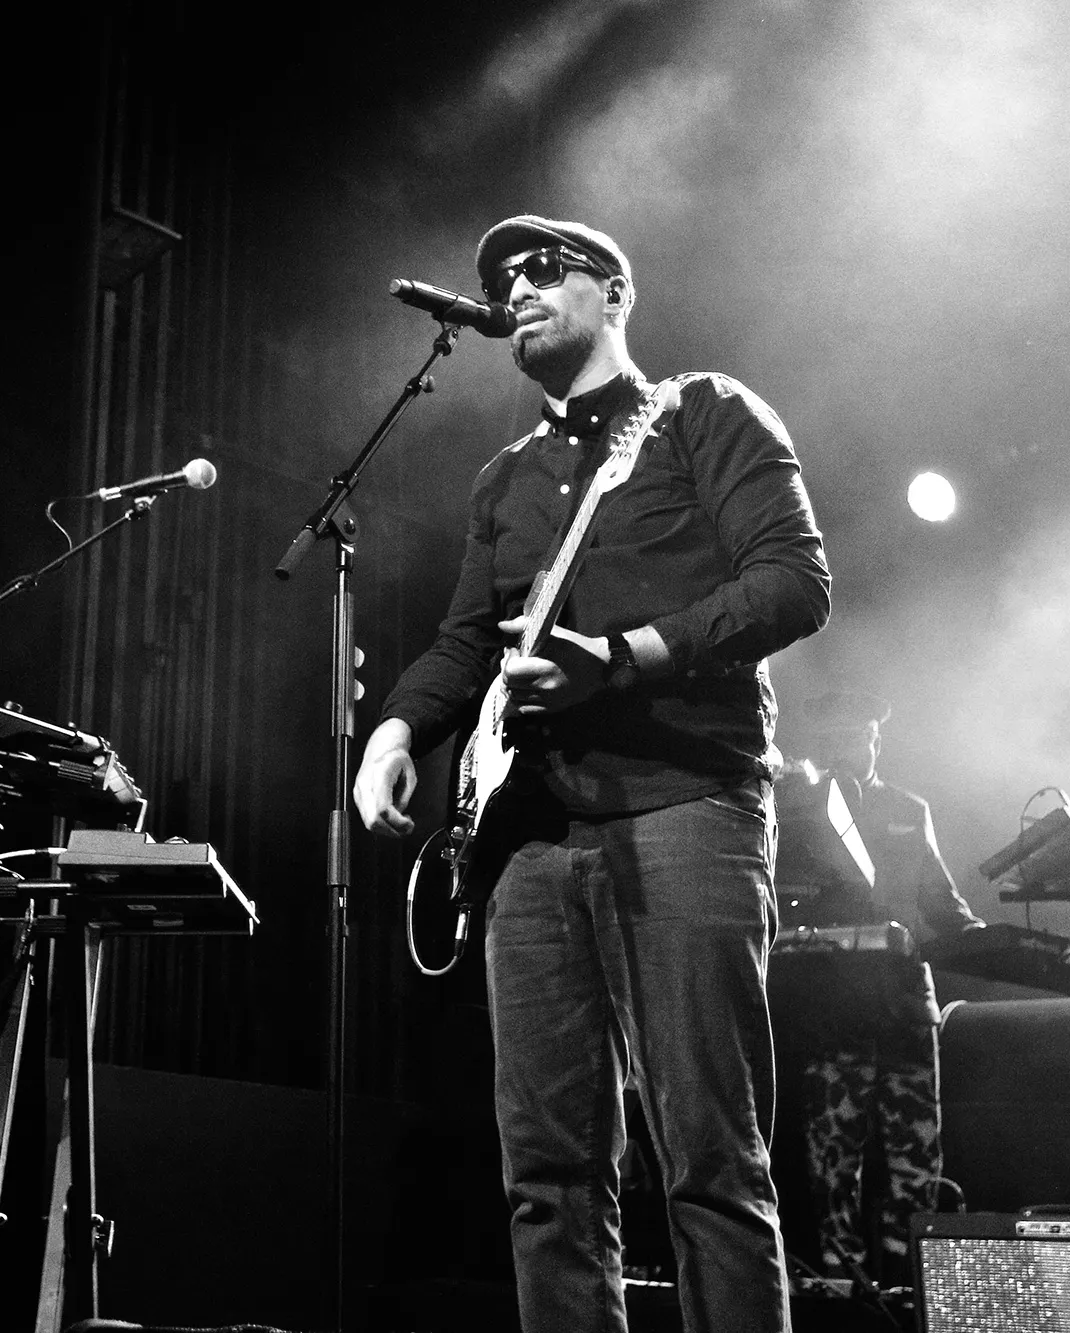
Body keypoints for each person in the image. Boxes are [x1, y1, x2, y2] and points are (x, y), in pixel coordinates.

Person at [353, 214, 831, 1333]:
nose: (512, 289)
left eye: (539, 268)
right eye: (499, 280)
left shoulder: (705, 413)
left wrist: (619, 659)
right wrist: (393, 733)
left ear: (613, 292)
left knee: (710, 1159)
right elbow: (464, 641)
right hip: (529, 838)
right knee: (547, 1178)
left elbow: (793, 583)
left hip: (685, 803)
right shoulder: (504, 479)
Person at [781, 688, 985, 1286]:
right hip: (832, 1001)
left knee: (916, 1149)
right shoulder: (799, 810)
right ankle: (842, 1280)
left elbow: (942, 902)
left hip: (904, 1002)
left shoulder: (906, 808)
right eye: (842, 738)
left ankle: (910, 1277)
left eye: (864, 737)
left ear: (877, 741)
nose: (855, 747)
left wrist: (993, 941)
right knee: (834, 1152)